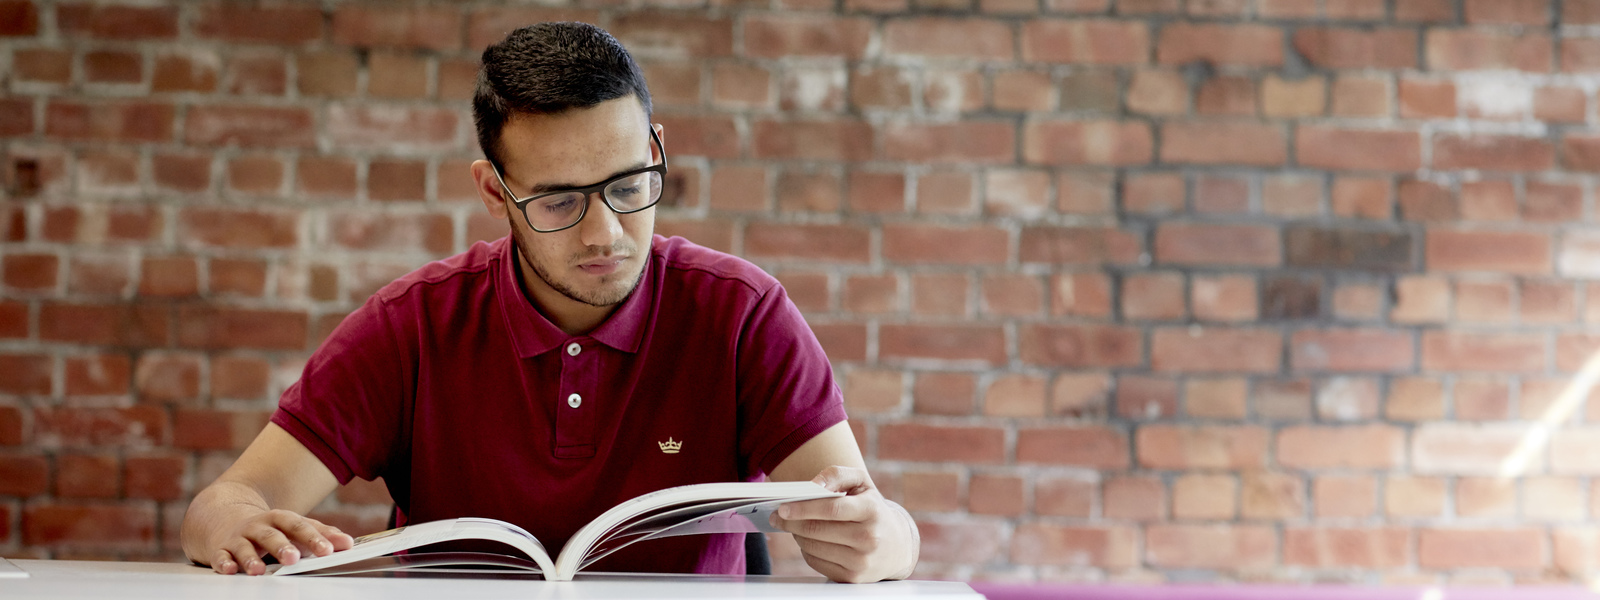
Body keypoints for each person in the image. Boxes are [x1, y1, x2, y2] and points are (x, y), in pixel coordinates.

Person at [178, 22, 919, 583]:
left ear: (657, 149)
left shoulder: (741, 314)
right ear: (494, 193)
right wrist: (236, 523)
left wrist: (879, 539)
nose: (607, 233)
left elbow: (877, 521)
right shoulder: (414, 325)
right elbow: (228, 499)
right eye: (561, 202)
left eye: (630, 187)